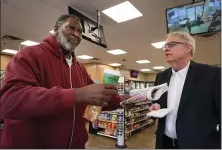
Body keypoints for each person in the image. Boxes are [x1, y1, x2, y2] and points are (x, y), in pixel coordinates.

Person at [0, 14, 130, 149]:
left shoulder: (80, 68)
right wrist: (77, 95)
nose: (77, 34)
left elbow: (95, 99)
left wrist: (120, 101)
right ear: (56, 30)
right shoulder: (29, 55)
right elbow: (9, 100)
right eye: (71, 28)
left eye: (80, 32)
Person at [149, 32, 221, 149]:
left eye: (171, 44)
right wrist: (154, 105)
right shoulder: (161, 76)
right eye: (165, 46)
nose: (166, 48)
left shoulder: (212, 75)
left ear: (188, 48)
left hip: (198, 145)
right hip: (164, 143)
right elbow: (155, 100)